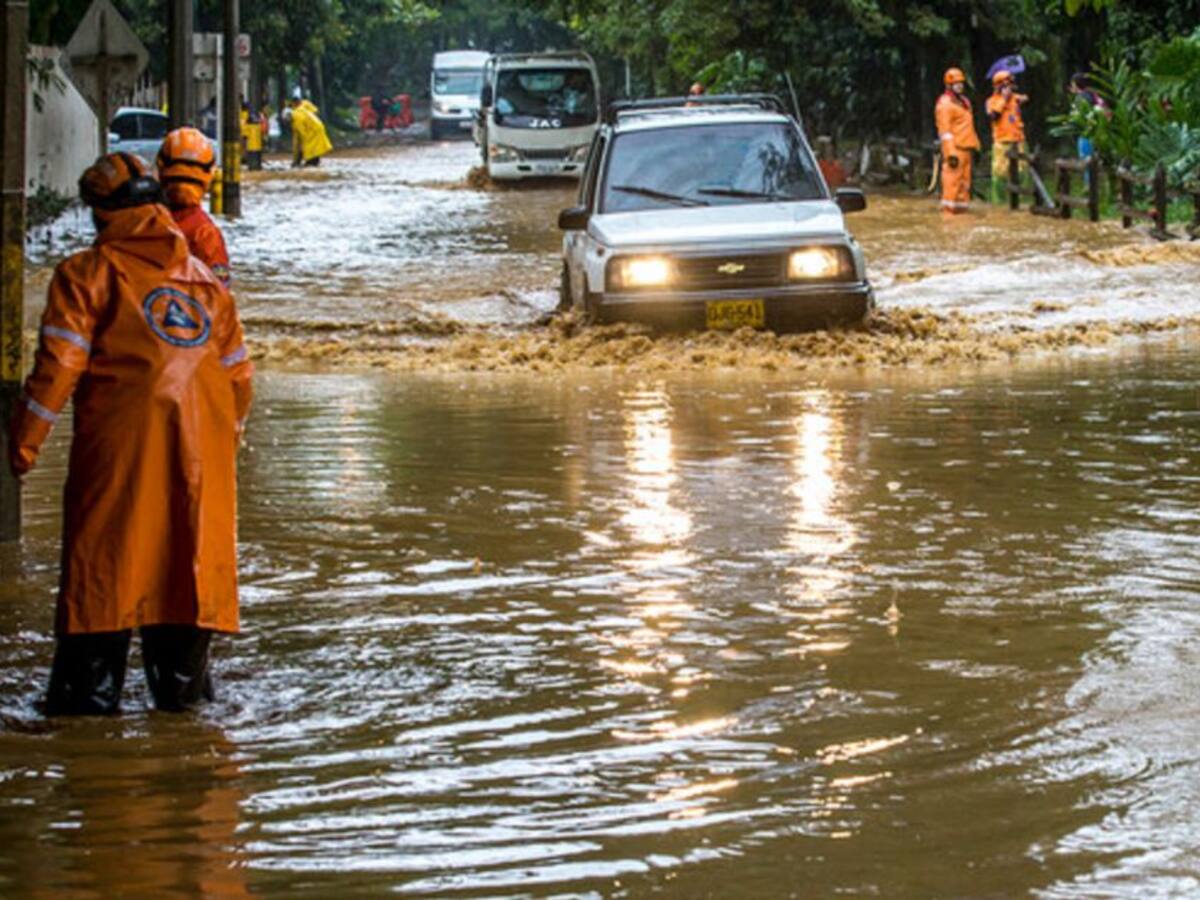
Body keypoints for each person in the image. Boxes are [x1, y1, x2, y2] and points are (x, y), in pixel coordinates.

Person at [7, 152, 253, 716]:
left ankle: (87, 723)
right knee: (185, 584)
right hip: (202, 462)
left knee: (103, 581)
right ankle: (185, 726)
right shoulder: (207, 285)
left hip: (118, 456)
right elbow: (240, 379)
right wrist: (221, 446)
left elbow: (57, 369)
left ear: (100, 213)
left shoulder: (86, 275)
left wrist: (21, 446)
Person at [156, 127, 231, 286]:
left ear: (161, 168)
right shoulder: (205, 234)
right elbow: (219, 292)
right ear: (209, 175)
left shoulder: (140, 221)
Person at [935, 67, 981, 215]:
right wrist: (950, 153)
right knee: (952, 183)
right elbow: (945, 131)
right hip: (955, 149)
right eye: (956, 83)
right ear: (949, 85)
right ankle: (948, 214)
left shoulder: (964, 102)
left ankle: (962, 215)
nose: (960, 86)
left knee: (964, 184)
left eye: (961, 83)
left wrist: (976, 146)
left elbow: (968, 126)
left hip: (967, 147)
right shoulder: (945, 104)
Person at [986, 69, 1028, 203]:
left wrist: (1022, 99)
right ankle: (999, 200)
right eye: (1005, 85)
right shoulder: (992, 101)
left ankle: (1019, 198)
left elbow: (1024, 99)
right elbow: (993, 116)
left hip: (1018, 140)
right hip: (1002, 142)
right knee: (1000, 173)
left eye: (1010, 84)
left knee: (1021, 171)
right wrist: (1003, 99)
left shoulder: (1015, 98)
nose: (1009, 88)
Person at [286, 96, 334, 167]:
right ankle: (313, 161)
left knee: (309, 146)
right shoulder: (300, 109)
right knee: (313, 147)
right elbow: (315, 111)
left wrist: (296, 159)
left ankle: (311, 162)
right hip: (316, 125)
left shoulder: (296, 117)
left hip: (312, 128)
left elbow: (301, 137)